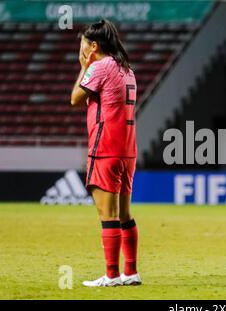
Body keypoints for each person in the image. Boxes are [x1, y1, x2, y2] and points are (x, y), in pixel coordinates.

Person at [70, 19, 140, 286]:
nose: (81, 49)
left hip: (105, 148)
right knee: (125, 214)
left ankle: (111, 275)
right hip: (127, 150)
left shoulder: (99, 67)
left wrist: (83, 68)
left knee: (107, 215)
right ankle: (131, 272)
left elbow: (75, 99)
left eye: (82, 45)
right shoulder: (127, 68)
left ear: (94, 46)